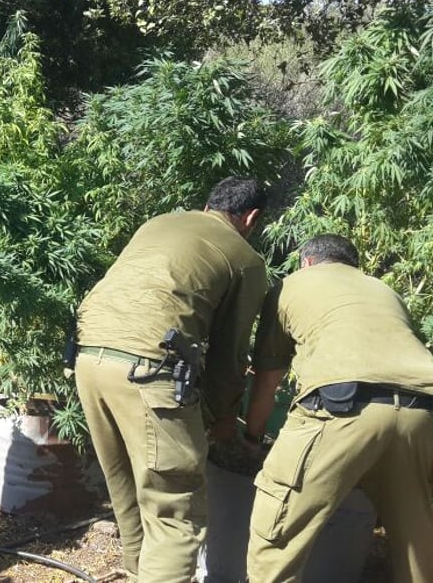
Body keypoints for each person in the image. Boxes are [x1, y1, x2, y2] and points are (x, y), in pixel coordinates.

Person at [72, 176, 268, 582]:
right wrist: (223, 419)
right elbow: (228, 357)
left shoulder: (158, 222)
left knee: (126, 490)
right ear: (251, 217)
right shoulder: (245, 258)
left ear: (209, 203)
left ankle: (137, 573)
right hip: (149, 374)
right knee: (175, 511)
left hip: (89, 361)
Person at [243, 234, 433, 582]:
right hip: (423, 410)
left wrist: (252, 438)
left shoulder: (291, 285)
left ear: (308, 262)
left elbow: (268, 378)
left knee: (277, 537)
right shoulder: (384, 291)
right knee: (419, 546)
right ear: (352, 266)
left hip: (341, 405)